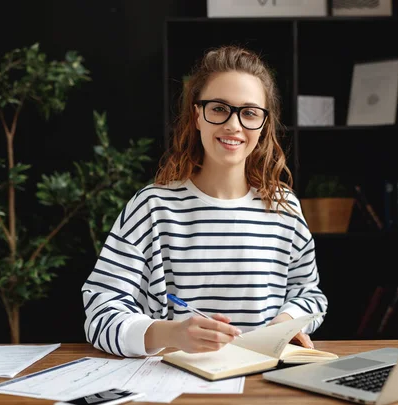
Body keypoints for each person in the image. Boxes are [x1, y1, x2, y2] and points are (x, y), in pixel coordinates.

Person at [82, 45, 328, 358]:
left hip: (262, 381)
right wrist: (171, 333)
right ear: (198, 116)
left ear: (264, 124)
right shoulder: (152, 208)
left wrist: (287, 322)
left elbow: (309, 294)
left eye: (249, 112)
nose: (234, 125)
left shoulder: (284, 208)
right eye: (219, 108)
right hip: (172, 381)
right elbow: (100, 311)